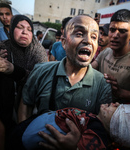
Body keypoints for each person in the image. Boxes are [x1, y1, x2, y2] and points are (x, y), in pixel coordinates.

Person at [18, 14, 113, 149]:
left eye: (94, 37)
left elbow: (101, 130)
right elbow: (26, 103)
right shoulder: (41, 71)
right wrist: (25, 137)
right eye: (80, 34)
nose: (88, 41)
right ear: (63, 42)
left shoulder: (103, 84)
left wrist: (77, 146)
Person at [0, 15, 48, 140]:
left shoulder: (38, 51)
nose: (25, 31)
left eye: (29, 29)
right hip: (1, 110)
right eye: (20, 27)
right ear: (12, 29)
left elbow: (40, 80)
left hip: (28, 111)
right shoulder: (0, 47)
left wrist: (13, 70)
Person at [10, 103, 130, 150]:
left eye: (119, 109)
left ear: (116, 125)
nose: (115, 103)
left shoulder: (98, 133)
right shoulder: (94, 123)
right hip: (37, 124)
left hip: (33, 136)